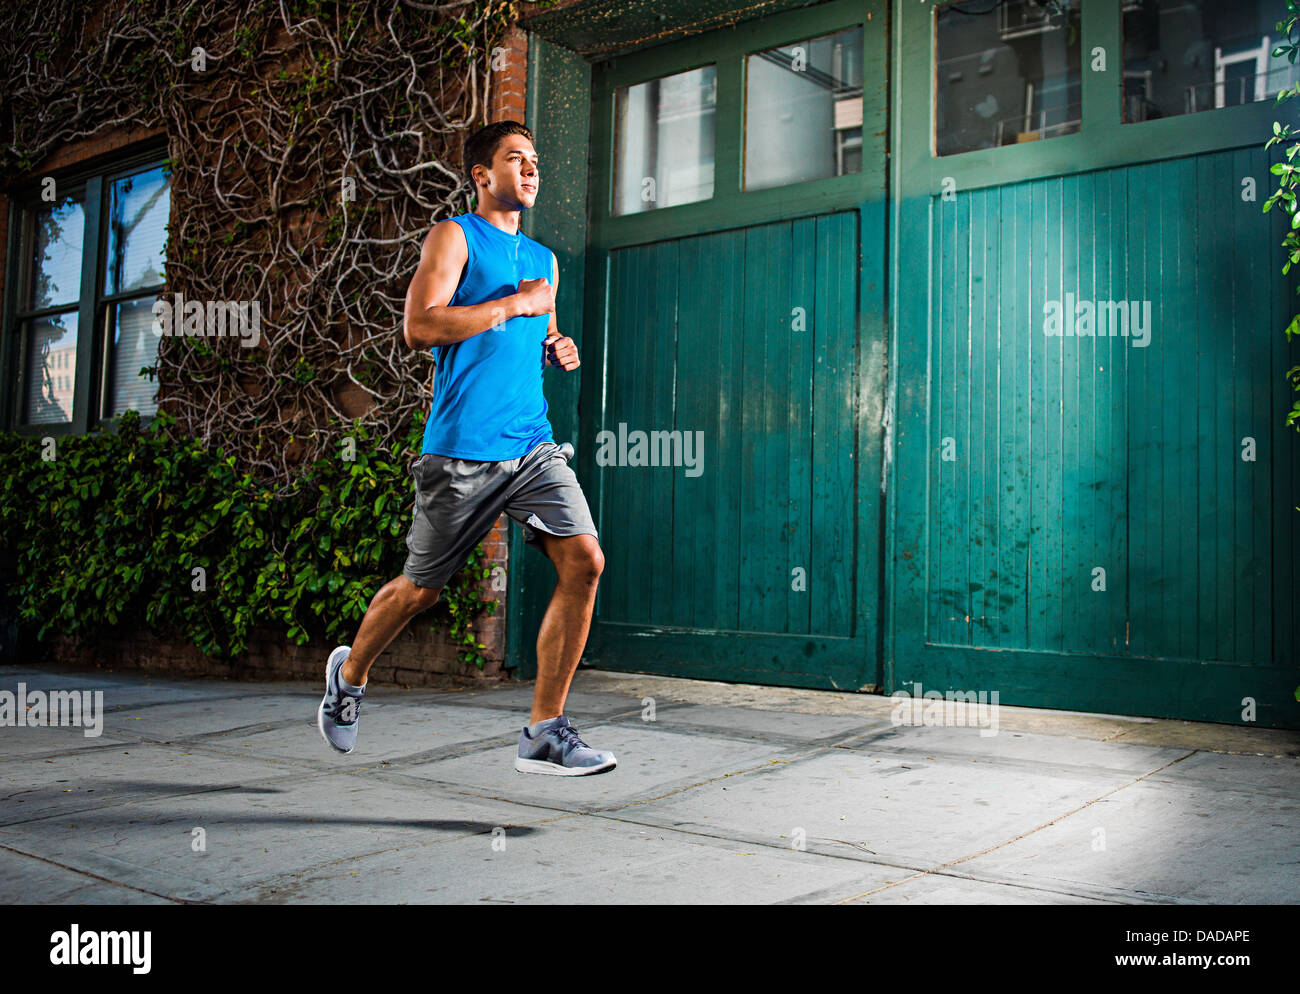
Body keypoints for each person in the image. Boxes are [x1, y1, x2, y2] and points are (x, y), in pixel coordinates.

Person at [316, 120, 616, 776]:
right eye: (516, 159)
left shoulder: (544, 261)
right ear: (483, 175)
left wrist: (555, 344)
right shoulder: (455, 236)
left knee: (586, 560)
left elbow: (539, 328)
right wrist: (511, 307)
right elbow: (420, 325)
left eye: (536, 159)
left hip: (531, 444)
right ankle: (351, 675)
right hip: (461, 451)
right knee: (421, 590)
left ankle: (543, 731)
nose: (532, 169)